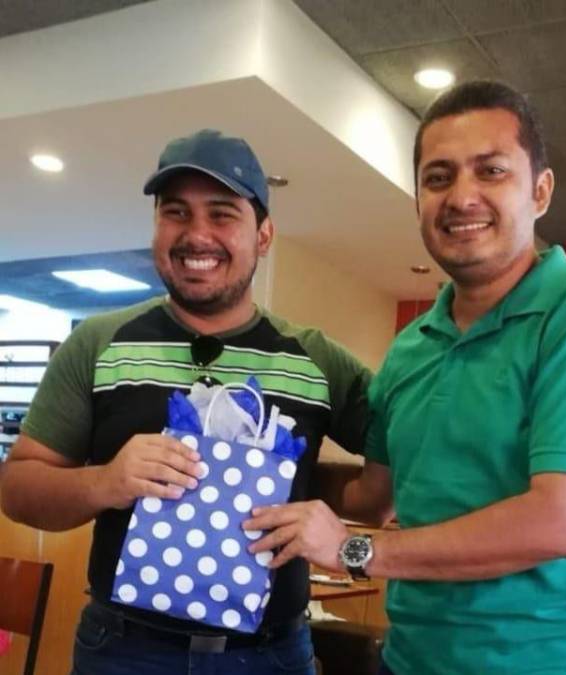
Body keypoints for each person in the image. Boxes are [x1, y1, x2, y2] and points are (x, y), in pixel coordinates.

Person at [244, 81, 566, 674]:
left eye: (491, 171)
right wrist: (264, 472)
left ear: (540, 191)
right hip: (406, 660)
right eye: (438, 178)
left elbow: (560, 522)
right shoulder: (410, 347)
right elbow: (374, 497)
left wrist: (353, 550)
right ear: (418, 201)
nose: (462, 197)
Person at [0, 129, 373, 675]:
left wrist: (321, 497)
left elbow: (407, 458)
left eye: (222, 214)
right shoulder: (99, 344)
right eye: (176, 212)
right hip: (123, 652)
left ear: (263, 235)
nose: (197, 235)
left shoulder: (317, 360)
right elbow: (17, 488)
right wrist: (105, 482)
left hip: (270, 657)